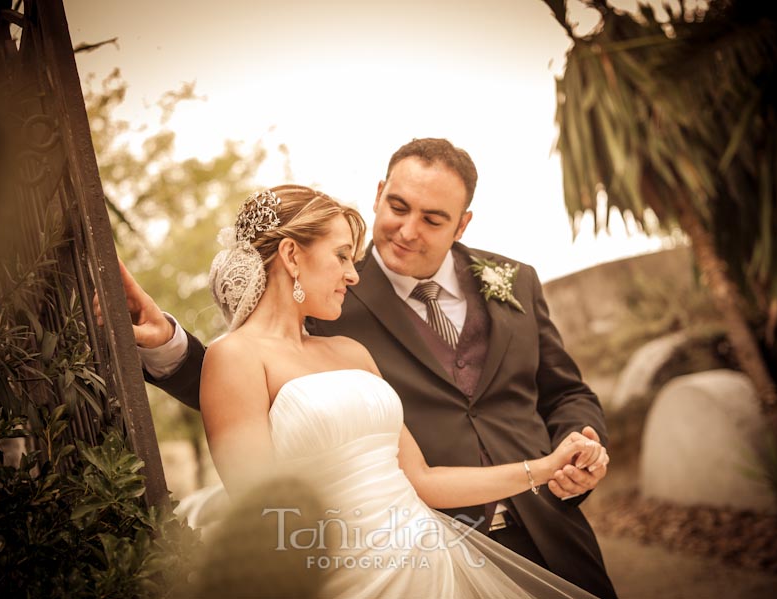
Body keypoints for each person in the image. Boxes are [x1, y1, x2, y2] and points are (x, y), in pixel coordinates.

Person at [122, 139, 618, 599]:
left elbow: (565, 392)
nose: (406, 230)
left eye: (432, 218)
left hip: (542, 531)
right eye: (398, 207)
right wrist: (168, 345)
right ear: (380, 193)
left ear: (462, 225)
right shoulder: (331, 295)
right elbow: (242, 384)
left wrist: (574, 454)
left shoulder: (517, 281)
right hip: (371, 564)